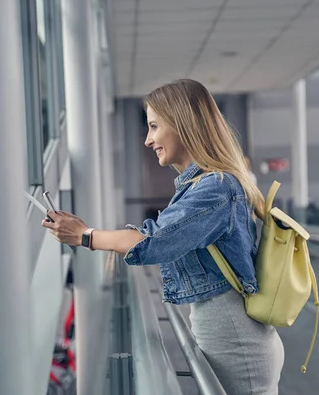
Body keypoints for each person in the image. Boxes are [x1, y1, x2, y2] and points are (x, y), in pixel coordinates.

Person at [42, 79, 284, 394]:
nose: (148, 139)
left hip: (235, 340)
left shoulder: (214, 187)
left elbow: (155, 242)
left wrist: (84, 236)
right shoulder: (201, 185)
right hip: (230, 334)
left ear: (182, 123)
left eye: (154, 126)